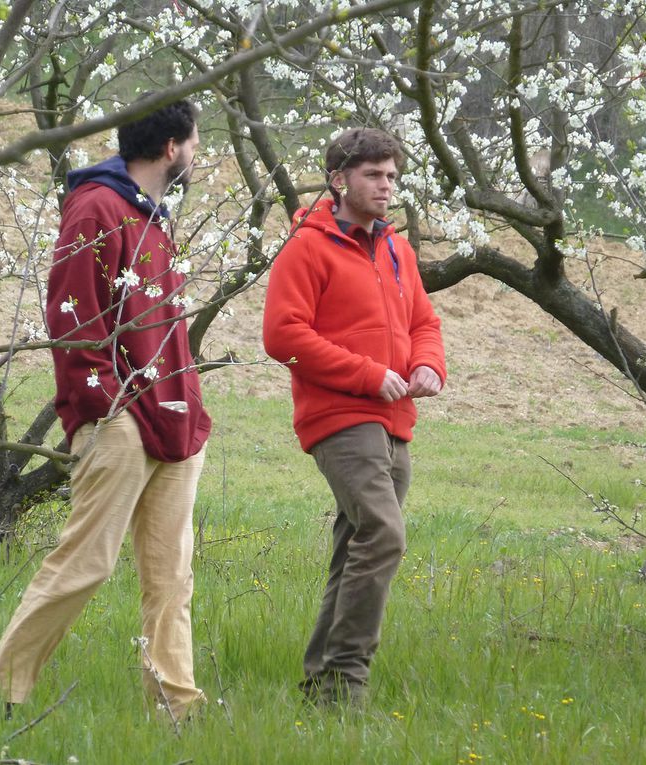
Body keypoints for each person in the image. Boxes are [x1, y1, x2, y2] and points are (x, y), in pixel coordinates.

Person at [0, 98, 212, 723]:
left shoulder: (154, 216)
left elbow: (164, 327)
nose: (199, 154)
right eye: (196, 143)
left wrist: (188, 410)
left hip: (175, 423)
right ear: (172, 148)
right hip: (121, 423)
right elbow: (72, 317)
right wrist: (109, 410)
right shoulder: (96, 206)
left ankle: (177, 710)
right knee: (85, 563)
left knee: (171, 579)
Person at [262, 127, 446, 708]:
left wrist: (429, 366)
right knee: (385, 533)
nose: (386, 186)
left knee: (358, 547)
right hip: (340, 417)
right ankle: (348, 679)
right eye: (374, 175)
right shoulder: (306, 247)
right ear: (339, 180)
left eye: (391, 176)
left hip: (396, 419)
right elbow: (282, 336)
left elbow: (425, 323)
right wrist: (367, 374)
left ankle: (323, 687)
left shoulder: (397, 248)